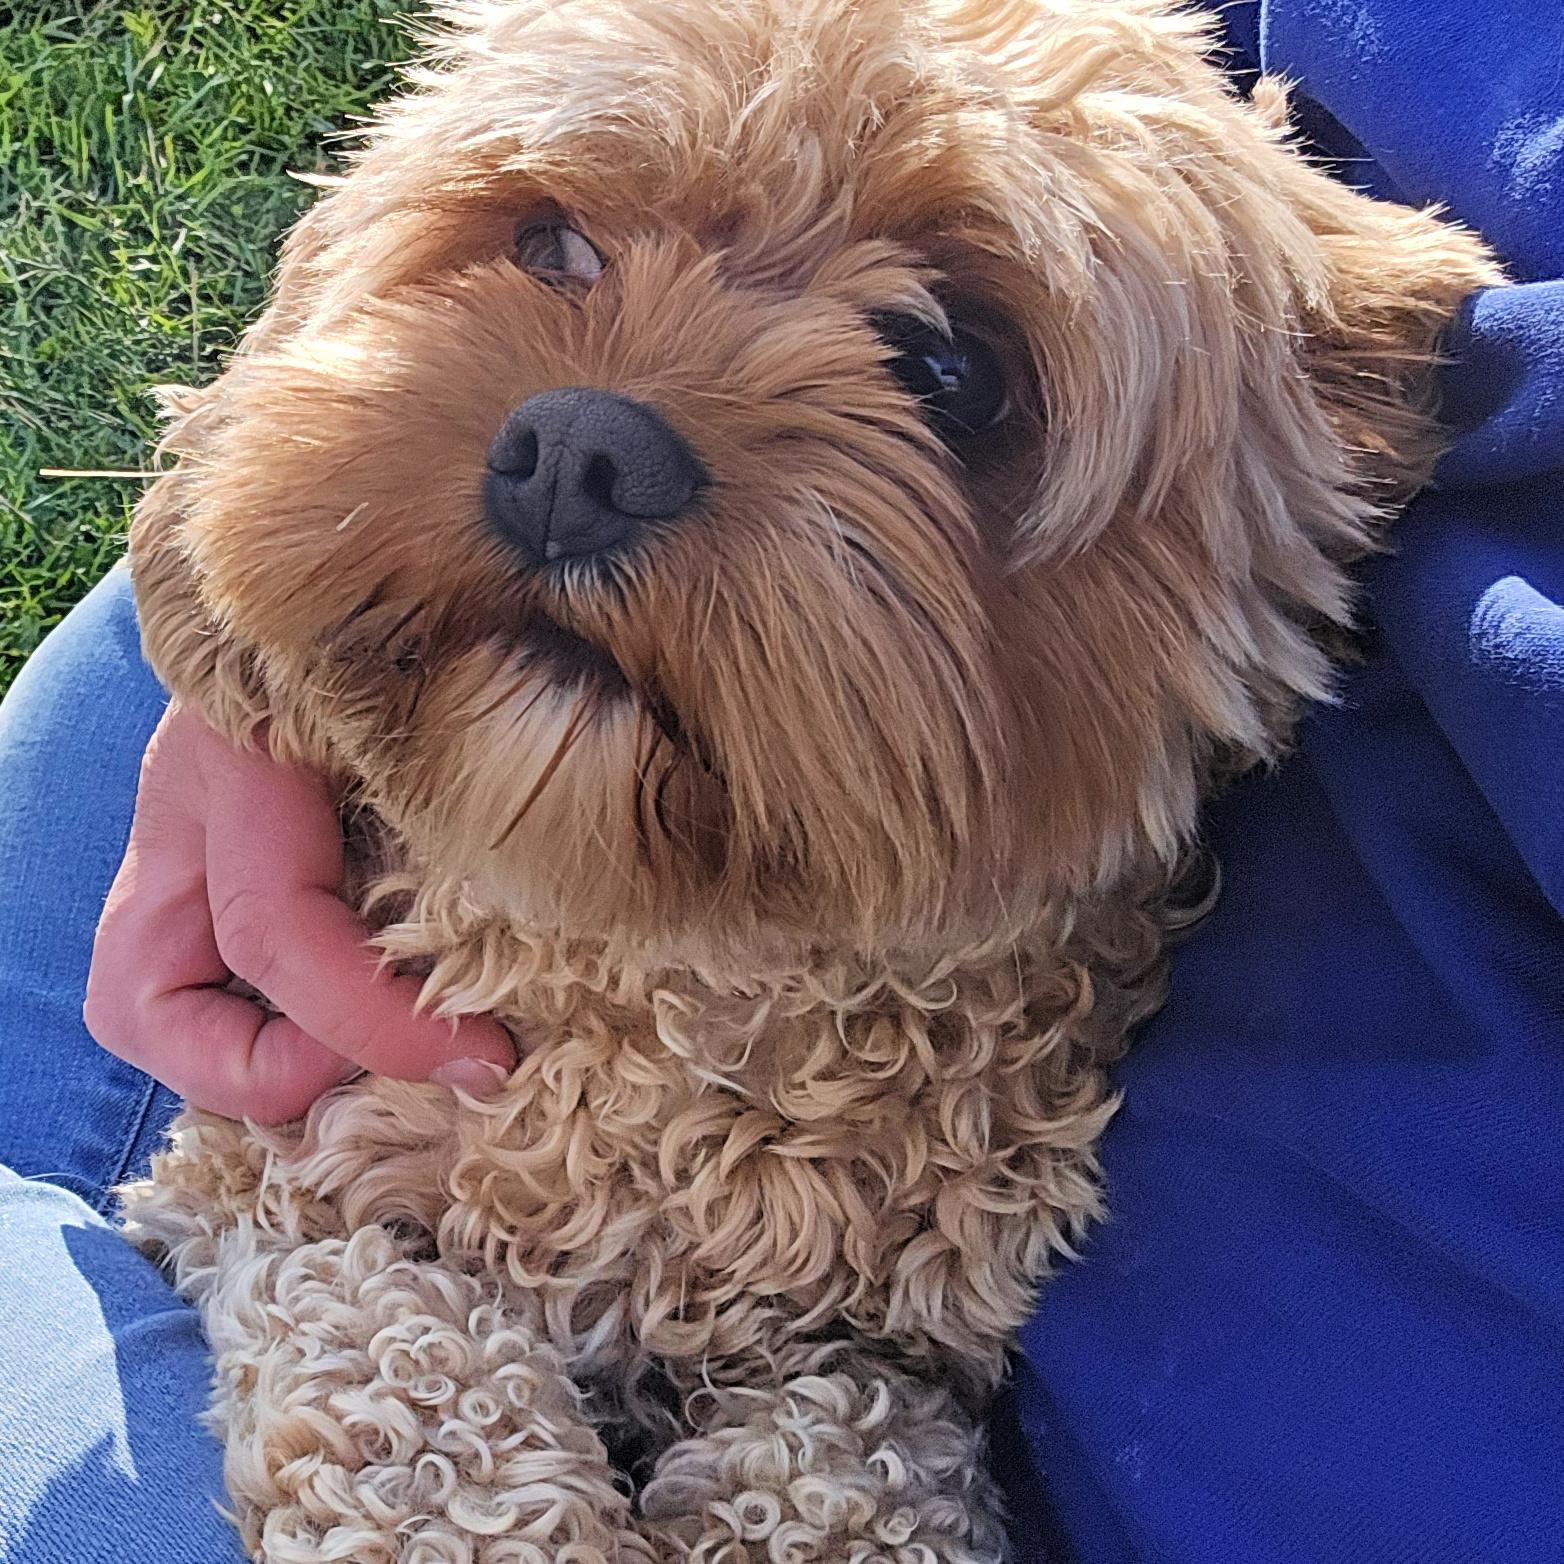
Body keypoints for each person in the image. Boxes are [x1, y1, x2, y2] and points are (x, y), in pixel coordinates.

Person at [1, 3, 1560, 1560]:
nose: (593, 437)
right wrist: (237, 629)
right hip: (302, 978)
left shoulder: (1317, 376)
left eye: (940, 375)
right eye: (553, 247)